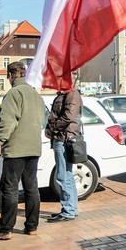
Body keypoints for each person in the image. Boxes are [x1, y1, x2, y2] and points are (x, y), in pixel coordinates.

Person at [0, 62, 45, 240]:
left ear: (10, 76)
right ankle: (32, 226)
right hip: (34, 147)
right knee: (31, 188)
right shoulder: (35, 94)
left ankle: (5, 229)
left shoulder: (13, 93)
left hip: (16, 149)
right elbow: (42, 119)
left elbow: (8, 121)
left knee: (10, 188)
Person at [45, 78, 83, 223]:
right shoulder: (65, 94)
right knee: (66, 175)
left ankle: (68, 210)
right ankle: (71, 209)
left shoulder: (71, 94)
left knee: (63, 176)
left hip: (64, 139)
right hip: (62, 138)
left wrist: (52, 129)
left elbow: (68, 116)